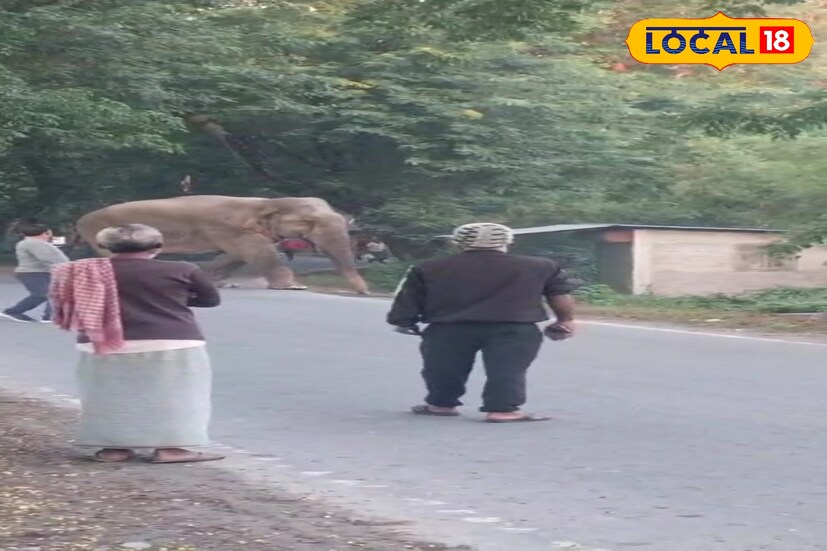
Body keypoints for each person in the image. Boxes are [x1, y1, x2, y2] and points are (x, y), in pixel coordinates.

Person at [49, 224, 224, 464]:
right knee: (177, 396)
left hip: (101, 341)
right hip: (171, 340)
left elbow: (71, 304)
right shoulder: (183, 269)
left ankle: (114, 449)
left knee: (107, 395)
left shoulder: (81, 271)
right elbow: (210, 299)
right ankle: (171, 449)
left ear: (105, 246)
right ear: (158, 246)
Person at [387, 222, 581, 423]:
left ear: (456, 243)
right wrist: (565, 320)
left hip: (449, 328)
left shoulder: (429, 267)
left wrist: (404, 321)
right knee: (507, 369)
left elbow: (409, 299)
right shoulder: (541, 266)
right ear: (508, 242)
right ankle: (502, 410)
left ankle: (441, 404)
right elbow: (559, 294)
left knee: (443, 367)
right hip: (514, 327)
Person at [1, 223, 69, 323]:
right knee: (42, 294)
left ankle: (50, 316)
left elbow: (60, 244)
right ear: (44, 232)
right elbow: (47, 257)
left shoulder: (37, 242)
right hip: (32, 273)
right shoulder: (33, 243)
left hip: (42, 272)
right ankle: (13, 311)